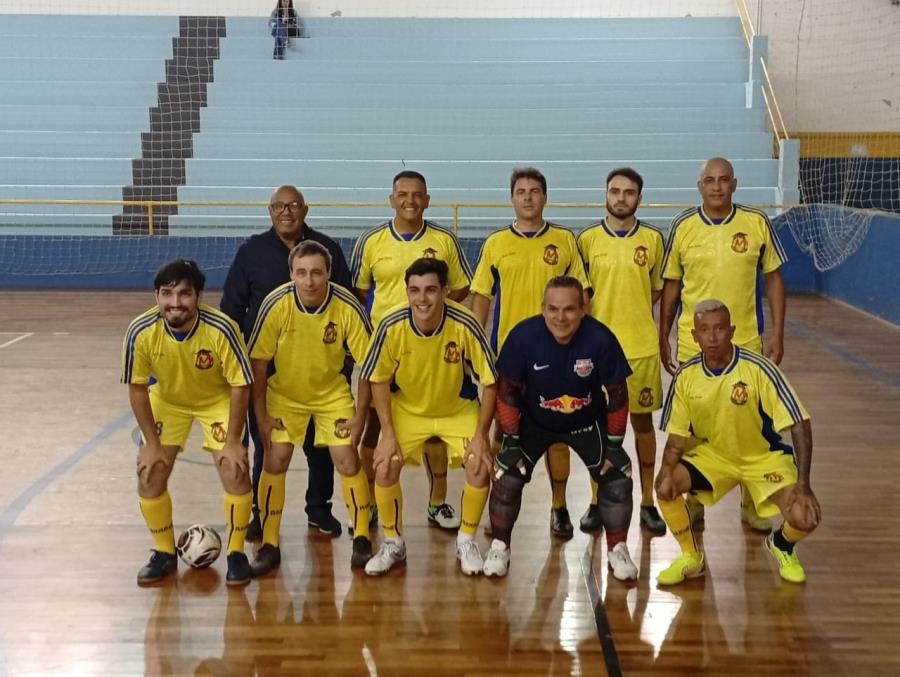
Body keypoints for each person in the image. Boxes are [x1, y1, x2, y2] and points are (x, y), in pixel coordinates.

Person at [658, 156, 788, 532]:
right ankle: (694, 496)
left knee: (753, 425)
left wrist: (777, 333)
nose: (716, 187)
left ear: (735, 183)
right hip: (691, 345)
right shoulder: (683, 226)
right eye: (709, 181)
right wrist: (663, 334)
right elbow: (671, 285)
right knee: (692, 425)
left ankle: (753, 502)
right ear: (700, 186)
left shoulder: (756, 223)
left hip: (746, 343)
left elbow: (775, 279)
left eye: (723, 180)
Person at [655, 299, 821, 585]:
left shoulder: (758, 368)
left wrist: (804, 486)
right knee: (666, 486)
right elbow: (676, 438)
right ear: (694, 336)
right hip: (716, 457)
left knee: (806, 516)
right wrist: (665, 471)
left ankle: (781, 544)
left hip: (763, 457)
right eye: (704, 330)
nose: (712, 336)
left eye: (719, 328)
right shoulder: (686, 376)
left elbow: (799, 422)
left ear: (732, 331)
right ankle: (692, 558)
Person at [483, 276, 638, 581]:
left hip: (586, 423)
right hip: (534, 423)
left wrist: (615, 446)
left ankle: (617, 549)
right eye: (553, 309)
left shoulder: (601, 339)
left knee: (618, 479)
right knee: (507, 477)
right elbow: (508, 392)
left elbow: (617, 393)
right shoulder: (522, 337)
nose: (560, 317)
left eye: (569, 309)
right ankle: (500, 546)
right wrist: (511, 441)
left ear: (583, 309)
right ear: (543, 308)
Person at [221, 185, 351, 542]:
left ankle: (319, 509)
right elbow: (231, 309)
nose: (286, 212)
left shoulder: (328, 250)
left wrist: (343, 364)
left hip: (321, 367)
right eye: (279, 206)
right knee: (269, 444)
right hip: (267, 369)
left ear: (305, 210)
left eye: (293, 205)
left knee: (321, 445)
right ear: (270, 211)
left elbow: (347, 306)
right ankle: (264, 515)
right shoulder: (252, 252)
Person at [470, 167, 591, 540]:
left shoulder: (564, 240)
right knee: (502, 431)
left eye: (534, 191)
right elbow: (481, 299)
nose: (527, 197)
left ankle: (559, 508)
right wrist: (477, 349)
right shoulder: (495, 244)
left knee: (557, 431)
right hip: (511, 357)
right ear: (512, 198)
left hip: (558, 356)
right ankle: (495, 503)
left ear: (545, 197)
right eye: (520, 191)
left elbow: (582, 297)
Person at [352, 170, 474, 532]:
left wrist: (431, 315)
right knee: (374, 430)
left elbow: (463, 287)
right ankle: (373, 504)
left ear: (427, 199)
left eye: (417, 194)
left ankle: (437, 504)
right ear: (391, 199)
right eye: (402, 194)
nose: (410, 200)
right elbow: (359, 293)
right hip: (386, 354)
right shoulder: (371, 241)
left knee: (434, 431)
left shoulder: (444, 240)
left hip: (433, 354)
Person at [360, 258, 496, 575]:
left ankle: (466, 540)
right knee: (384, 463)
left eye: (431, 290)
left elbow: (490, 381)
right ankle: (393, 542)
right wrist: (389, 435)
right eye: (415, 290)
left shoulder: (466, 323)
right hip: (408, 410)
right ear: (407, 292)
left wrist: (480, 436)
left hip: (457, 410)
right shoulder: (391, 325)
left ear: (445, 292)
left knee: (479, 463)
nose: (422, 298)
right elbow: (377, 379)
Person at [122, 259, 254, 586]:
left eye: (184, 293)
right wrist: (151, 445)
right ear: (156, 296)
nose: (175, 302)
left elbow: (241, 384)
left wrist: (234, 440)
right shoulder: (140, 331)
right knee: (149, 474)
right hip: (168, 400)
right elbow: (138, 387)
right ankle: (164, 553)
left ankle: (236, 552)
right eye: (167, 293)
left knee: (234, 468)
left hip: (217, 399)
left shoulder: (222, 329)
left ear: (198, 296)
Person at [247, 241, 375, 576]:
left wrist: (361, 414)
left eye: (317, 272)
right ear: (291, 274)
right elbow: (258, 363)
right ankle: (270, 542)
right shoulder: (276, 304)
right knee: (275, 457)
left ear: (329, 273)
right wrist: (260, 414)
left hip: (331, 394)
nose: (309, 281)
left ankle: (361, 537)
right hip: (285, 394)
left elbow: (370, 366)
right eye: (301, 273)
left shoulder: (346, 305)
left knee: (347, 457)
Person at [577, 167, 667, 536]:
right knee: (596, 427)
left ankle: (648, 502)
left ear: (639, 198)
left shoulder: (653, 239)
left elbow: (657, 289)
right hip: (597, 352)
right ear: (605, 194)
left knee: (642, 425)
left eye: (629, 192)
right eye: (614, 191)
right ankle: (596, 501)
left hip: (641, 349)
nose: (621, 198)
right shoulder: (586, 240)